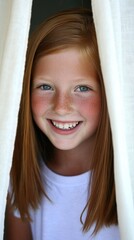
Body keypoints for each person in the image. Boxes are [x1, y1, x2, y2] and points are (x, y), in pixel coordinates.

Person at [6, 8, 120, 240]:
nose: (61, 106)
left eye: (82, 88)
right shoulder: (17, 177)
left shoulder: (125, 181)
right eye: (46, 86)